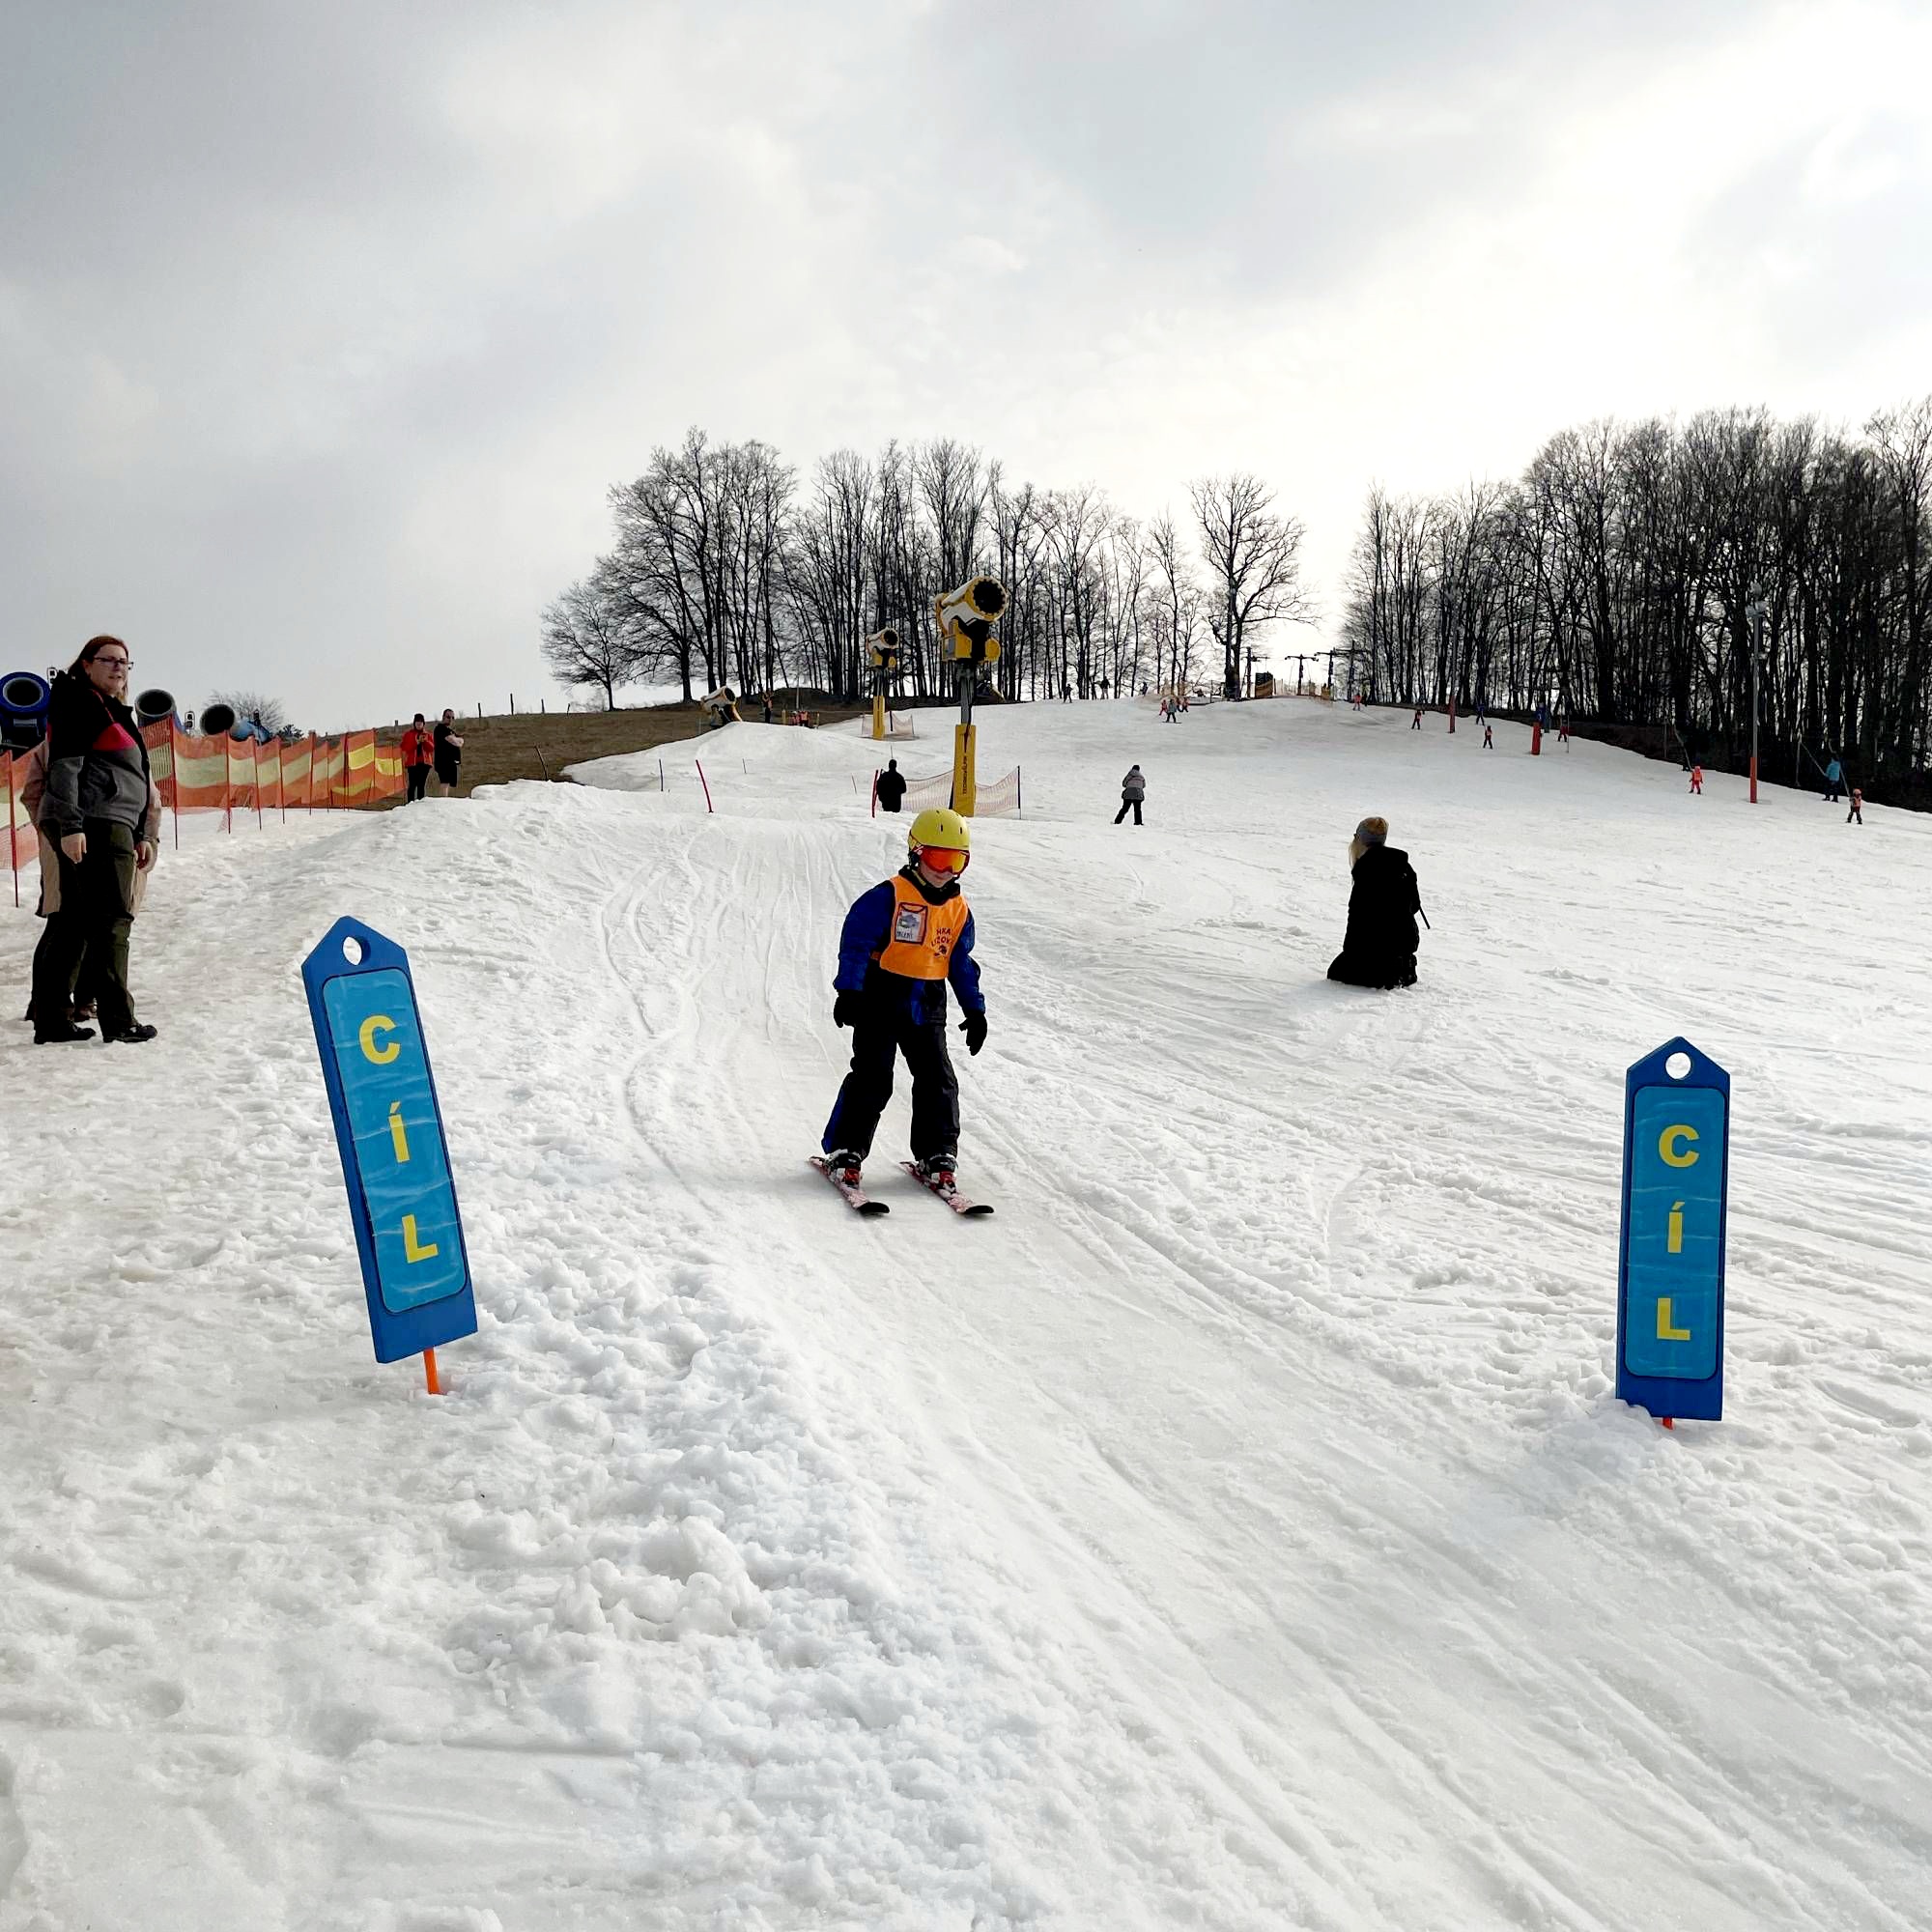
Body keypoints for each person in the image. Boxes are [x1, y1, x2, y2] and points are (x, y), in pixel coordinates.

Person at [820, 806, 986, 1192]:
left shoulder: (958, 911)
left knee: (937, 1081)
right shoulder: (888, 896)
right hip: (879, 997)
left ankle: (937, 1153)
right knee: (873, 1078)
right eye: (936, 857)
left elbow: (960, 963)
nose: (944, 870)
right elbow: (857, 944)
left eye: (955, 860)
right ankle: (845, 1150)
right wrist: (849, 990)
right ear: (916, 852)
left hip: (927, 1003)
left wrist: (975, 1010)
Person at [30, 636, 159, 1043]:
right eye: (109, 661)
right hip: (97, 823)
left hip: (111, 822)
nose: (119, 668)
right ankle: (119, 1021)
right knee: (112, 921)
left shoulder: (109, 709)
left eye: (125, 662)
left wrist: (141, 831)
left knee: (74, 922)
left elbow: (134, 780)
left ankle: (51, 1021)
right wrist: (71, 827)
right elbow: (65, 768)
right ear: (86, 665)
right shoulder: (81, 702)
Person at [18, 731, 163, 1034]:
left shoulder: (117, 739)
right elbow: (149, 800)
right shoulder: (77, 740)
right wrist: (58, 831)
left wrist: (49, 831)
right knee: (87, 921)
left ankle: (57, 1007)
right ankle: (69, 1006)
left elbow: (33, 792)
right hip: (92, 837)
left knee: (72, 921)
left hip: (85, 837)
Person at [1327, 817, 1422, 990]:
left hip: (1375, 966)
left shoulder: (1365, 870)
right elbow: (1414, 907)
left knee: (1335, 971)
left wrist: (1351, 956)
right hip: (1405, 963)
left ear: (1360, 840)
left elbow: (1356, 919)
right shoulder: (1403, 866)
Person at [400, 713, 434, 802]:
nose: (419, 725)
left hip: (425, 763)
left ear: (423, 724)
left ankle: (420, 803)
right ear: (414, 723)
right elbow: (405, 747)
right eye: (417, 723)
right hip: (412, 763)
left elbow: (432, 748)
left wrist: (425, 741)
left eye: (421, 723)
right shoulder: (409, 734)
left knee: (421, 784)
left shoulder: (428, 735)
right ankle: (410, 803)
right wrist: (417, 742)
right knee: (412, 784)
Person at [432, 708, 465, 795]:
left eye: (452, 717)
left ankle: (446, 801)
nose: (450, 719)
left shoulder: (450, 731)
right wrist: (456, 740)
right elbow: (454, 741)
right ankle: (443, 803)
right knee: (444, 782)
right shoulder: (440, 729)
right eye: (448, 717)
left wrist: (457, 740)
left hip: (451, 762)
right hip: (443, 761)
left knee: (449, 783)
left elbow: (461, 742)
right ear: (443, 717)